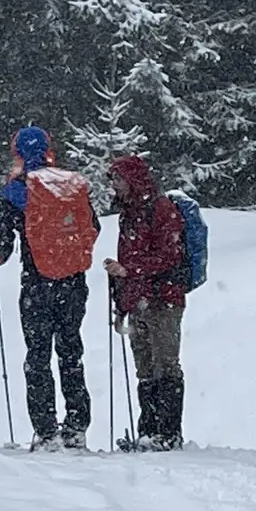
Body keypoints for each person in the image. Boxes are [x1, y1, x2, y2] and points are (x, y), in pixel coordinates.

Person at [0, 126, 99, 450]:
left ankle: (46, 431)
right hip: (74, 283)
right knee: (71, 352)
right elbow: (94, 227)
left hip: (37, 285)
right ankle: (76, 426)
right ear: (48, 148)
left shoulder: (14, 191)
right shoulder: (72, 185)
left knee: (38, 357)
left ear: (18, 152)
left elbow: (1, 249)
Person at [102, 154, 188, 450]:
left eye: (118, 179)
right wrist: (122, 303)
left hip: (164, 300)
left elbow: (170, 257)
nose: (114, 186)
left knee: (165, 364)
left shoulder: (160, 209)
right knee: (146, 368)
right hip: (139, 299)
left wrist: (129, 271)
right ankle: (150, 432)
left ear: (133, 180)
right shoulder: (130, 212)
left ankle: (168, 433)